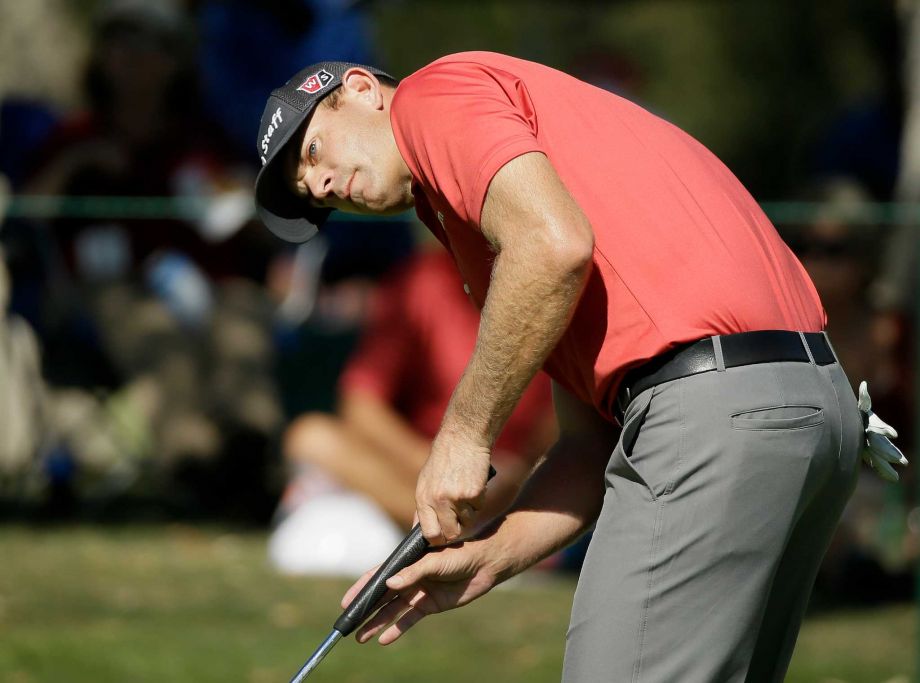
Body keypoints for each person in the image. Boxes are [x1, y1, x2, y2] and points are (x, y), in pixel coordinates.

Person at [252, 54, 906, 682]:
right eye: (315, 195)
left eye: (314, 153)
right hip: (812, 408)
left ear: (363, 90)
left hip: (714, 413)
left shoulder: (432, 97)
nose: (326, 186)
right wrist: (487, 556)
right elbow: (590, 445)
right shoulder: (490, 202)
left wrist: (461, 435)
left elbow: (552, 245)